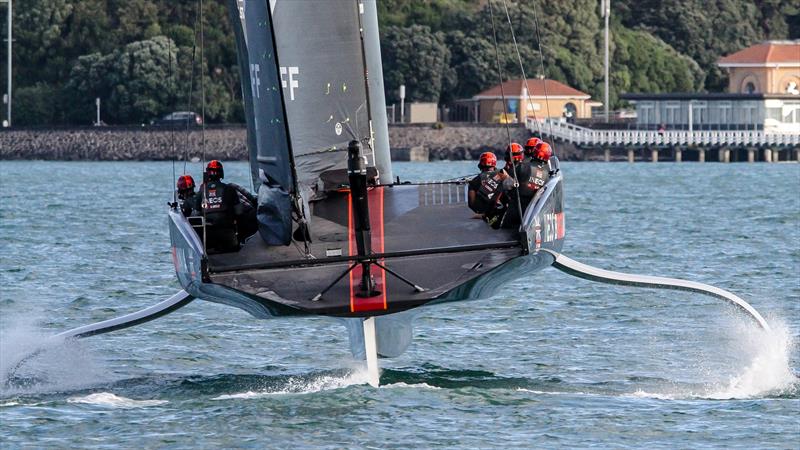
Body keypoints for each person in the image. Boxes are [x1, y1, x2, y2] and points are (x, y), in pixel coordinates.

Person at [195, 160, 241, 251]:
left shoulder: (201, 190)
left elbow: (196, 213)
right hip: (227, 234)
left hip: (207, 236)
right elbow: (239, 212)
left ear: (207, 174)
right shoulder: (229, 189)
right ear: (221, 173)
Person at [467, 152, 508, 228]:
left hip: (490, 215)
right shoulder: (503, 175)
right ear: (494, 163)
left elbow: (471, 205)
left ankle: (486, 217)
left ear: (480, 165)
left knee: (491, 223)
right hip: (506, 211)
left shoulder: (474, 181)